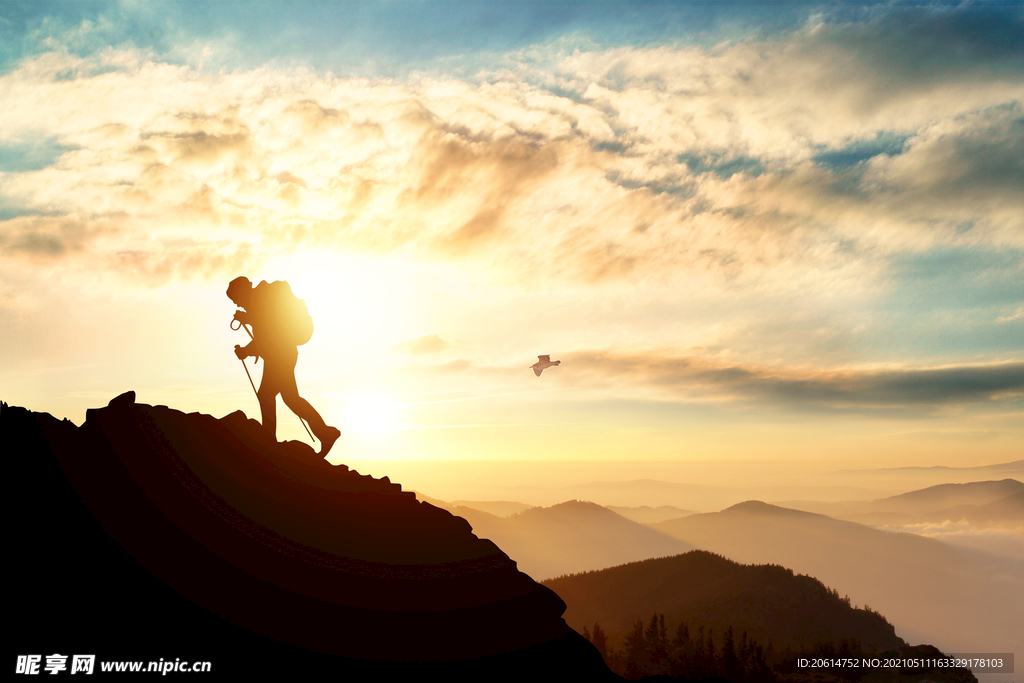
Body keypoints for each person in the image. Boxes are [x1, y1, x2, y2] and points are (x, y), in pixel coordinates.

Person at [226, 276, 340, 456]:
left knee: (269, 395)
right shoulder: (259, 302)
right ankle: (324, 433)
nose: (237, 304)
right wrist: (248, 321)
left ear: (242, 292)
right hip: (281, 355)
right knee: (287, 397)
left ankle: (271, 440)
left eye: (236, 300)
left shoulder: (259, 302)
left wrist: (246, 350)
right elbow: (266, 333)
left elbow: (266, 337)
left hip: (280, 356)